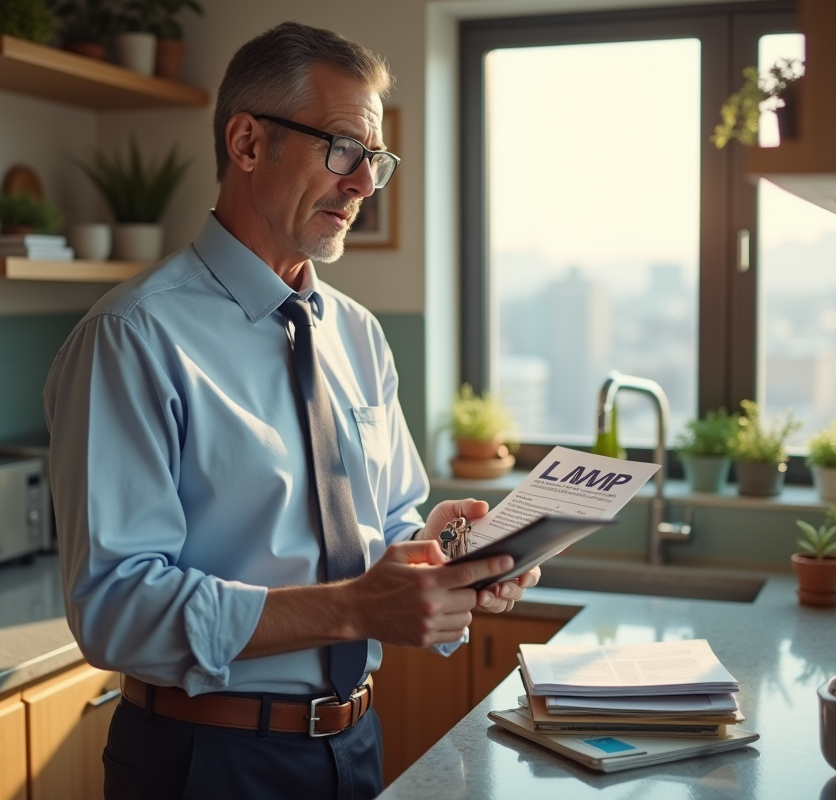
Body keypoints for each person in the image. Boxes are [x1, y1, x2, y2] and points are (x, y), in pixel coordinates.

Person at [43, 21, 540, 800]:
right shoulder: (132, 337)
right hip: (203, 760)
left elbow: (390, 519)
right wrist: (350, 610)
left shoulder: (358, 335)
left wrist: (449, 556)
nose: (365, 183)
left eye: (374, 159)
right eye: (343, 148)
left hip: (354, 747)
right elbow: (114, 607)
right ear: (247, 143)